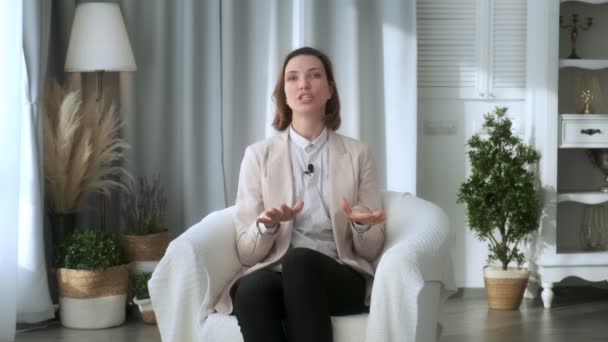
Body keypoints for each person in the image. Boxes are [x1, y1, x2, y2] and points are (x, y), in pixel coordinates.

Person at [214, 46, 386, 342]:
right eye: (292, 78)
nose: (303, 84)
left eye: (314, 76)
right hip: (276, 272)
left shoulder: (358, 154)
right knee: (252, 291)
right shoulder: (259, 155)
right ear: (283, 91)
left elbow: (370, 250)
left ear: (329, 90)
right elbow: (246, 252)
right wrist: (266, 226)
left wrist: (361, 224)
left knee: (300, 262)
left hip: (339, 276)